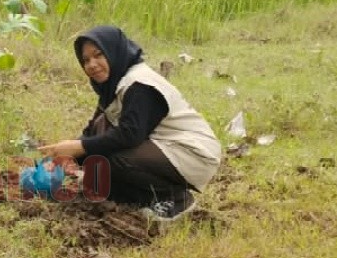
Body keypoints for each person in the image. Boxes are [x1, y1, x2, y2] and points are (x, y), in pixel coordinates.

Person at [39, 25, 221, 222]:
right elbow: (93, 132)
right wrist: (64, 159)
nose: (91, 64)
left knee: (111, 159)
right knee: (97, 176)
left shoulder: (140, 84)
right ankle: (146, 199)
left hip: (191, 152)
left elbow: (129, 135)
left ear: (113, 51)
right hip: (161, 147)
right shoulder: (114, 86)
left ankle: (175, 198)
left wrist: (79, 147)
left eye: (98, 55)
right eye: (85, 60)